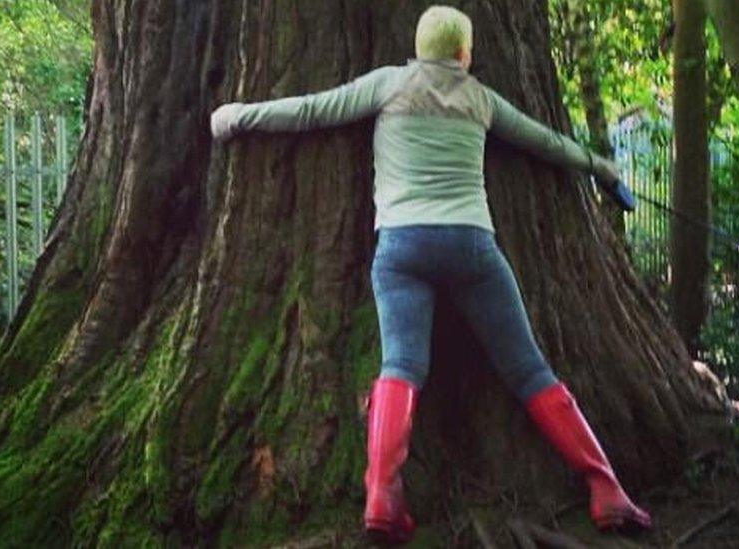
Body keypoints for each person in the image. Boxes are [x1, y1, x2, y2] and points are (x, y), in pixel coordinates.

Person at [210, 4, 651, 543]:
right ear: (465, 54)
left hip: (402, 247)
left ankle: (382, 496)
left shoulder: (389, 85)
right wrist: (601, 168)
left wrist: (235, 116)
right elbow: (547, 142)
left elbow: (308, 111)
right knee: (530, 369)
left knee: (401, 365)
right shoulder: (481, 99)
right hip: (471, 247)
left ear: (420, 49)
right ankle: (606, 490)